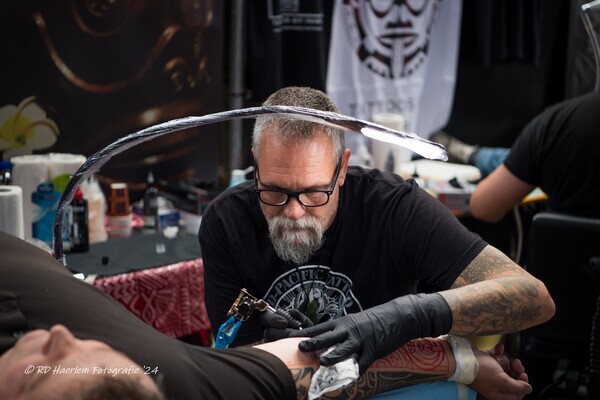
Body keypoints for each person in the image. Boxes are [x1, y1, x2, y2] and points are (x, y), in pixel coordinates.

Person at [198, 86, 555, 390]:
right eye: (274, 191)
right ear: (256, 164)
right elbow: (241, 380)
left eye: (314, 192)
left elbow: (534, 298)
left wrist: (407, 317)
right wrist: (457, 363)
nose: (293, 211)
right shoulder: (227, 222)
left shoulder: (393, 207)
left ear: (341, 169)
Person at [0, 230, 533, 400]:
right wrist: (457, 358)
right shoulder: (159, 377)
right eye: (41, 379)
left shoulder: (151, 374)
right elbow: (312, 365)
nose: (60, 335)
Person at [466, 90, 600, 223]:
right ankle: (473, 154)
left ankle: (473, 154)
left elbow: (482, 206)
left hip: (565, 238)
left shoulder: (555, 124)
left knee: (504, 159)